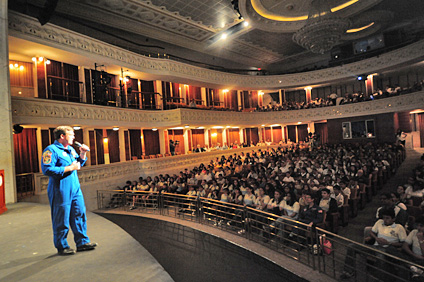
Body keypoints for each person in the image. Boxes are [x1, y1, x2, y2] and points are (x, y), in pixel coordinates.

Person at [41, 126, 97, 255]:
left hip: (74, 187)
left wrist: (83, 153)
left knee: (79, 213)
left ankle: (82, 242)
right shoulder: (51, 150)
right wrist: (69, 168)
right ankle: (62, 245)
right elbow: (47, 170)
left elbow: (78, 164)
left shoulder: (71, 149)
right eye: (71, 134)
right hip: (60, 188)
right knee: (61, 217)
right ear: (62, 136)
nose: (73, 137)